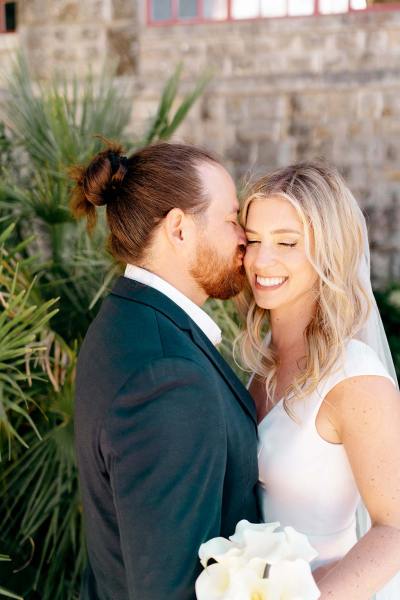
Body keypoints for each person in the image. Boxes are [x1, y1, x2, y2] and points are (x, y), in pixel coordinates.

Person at [71, 142, 260, 600]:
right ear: (179, 229)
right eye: (231, 219)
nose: (244, 238)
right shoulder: (169, 376)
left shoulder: (123, 323)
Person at [236, 161, 400, 600]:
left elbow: (395, 529)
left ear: (329, 251)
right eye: (253, 240)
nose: (261, 260)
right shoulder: (258, 363)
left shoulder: (355, 379)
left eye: (287, 243)